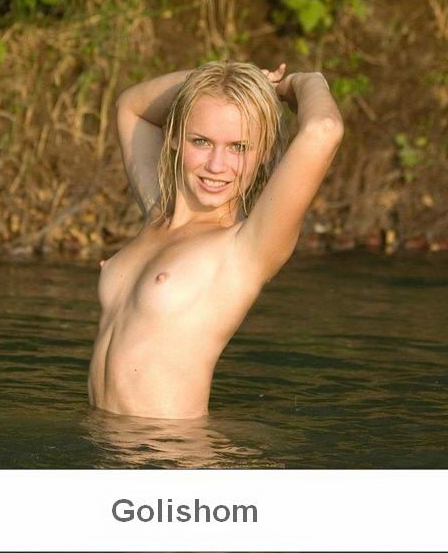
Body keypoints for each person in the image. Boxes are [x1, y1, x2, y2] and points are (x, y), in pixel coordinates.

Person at [88, 60, 344, 419]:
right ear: (175, 137)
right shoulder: (157, 214)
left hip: (170, 448)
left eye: (238, 147)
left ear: (263, 153)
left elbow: (324, 128)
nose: (216, 165)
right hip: (103, 439)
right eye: (201, 141)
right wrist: (223, 77)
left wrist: (296, 83)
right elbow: (130, 106)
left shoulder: (246, 246)